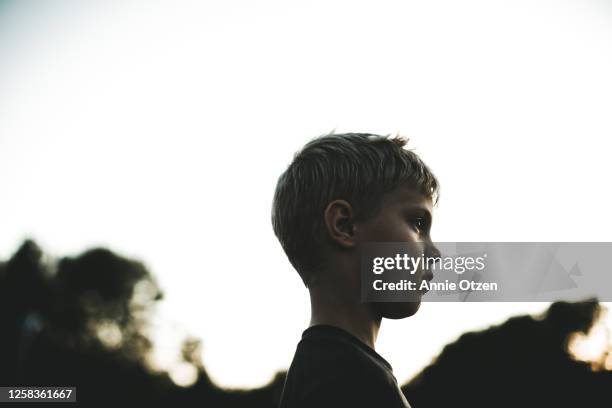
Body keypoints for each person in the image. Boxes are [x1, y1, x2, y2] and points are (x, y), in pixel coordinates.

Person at [271, 133, 441, 408]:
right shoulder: (350, 383)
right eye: (418, 223)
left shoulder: (325, 371)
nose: (434, 253)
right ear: (344, 225)